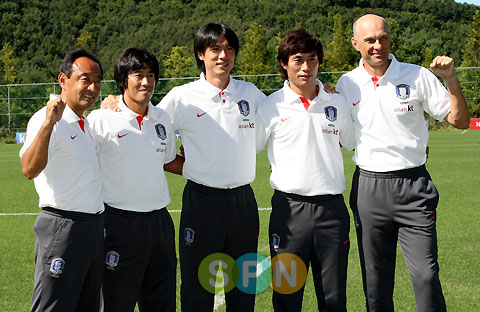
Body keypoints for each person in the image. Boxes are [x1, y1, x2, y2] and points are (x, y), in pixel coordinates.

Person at [335, 14, 470, 312]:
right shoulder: (347, 84)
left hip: (414, 187)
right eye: (369, 40)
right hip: (369, 188)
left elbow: (459, 121)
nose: (377, 45)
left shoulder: (417, 76)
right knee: (375, 281)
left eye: (382, 37)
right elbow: (339, 135)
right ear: (356, 43)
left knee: (425, 276)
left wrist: (450, 79)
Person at [158, 23, 266, 311]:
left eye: (229, 49)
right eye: (215, 49)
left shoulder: (251, 93)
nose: (223, 55)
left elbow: (285, 111)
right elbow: (151, 131)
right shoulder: (182, 97)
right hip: (202, 202)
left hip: (243, 201)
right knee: (197, 286)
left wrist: (321, 89)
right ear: (200, 54)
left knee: (243, 285)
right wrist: (114, 103)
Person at [256, 28, 354, 312]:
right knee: (286, 297)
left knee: (333, 299)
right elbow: (246, 147)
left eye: (312, 59)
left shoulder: (336, 101)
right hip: (289, 212)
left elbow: (353, 141)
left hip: (331, 212)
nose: (306, 67)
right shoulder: (270, 106)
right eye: (298, 59)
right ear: (284, 63)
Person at [87, 48, 182, 312]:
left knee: (162, 303)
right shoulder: (101, 119)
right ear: (122, 80)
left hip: (159, 223)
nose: (146, 82)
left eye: (151, 75)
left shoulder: (163, 118)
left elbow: (168, 160)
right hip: (118, 223)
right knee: (116, 303)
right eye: (138, 75)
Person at [19, 49, 104, 312]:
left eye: (98, 81)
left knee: (87, 305)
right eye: (85, 79)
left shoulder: (84, 123)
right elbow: (29, 168)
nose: (92, 87)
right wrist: (47, 124)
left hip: (93, 226)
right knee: (53, 305)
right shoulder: (49, 120)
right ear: (63, 80)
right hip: (63, 226)